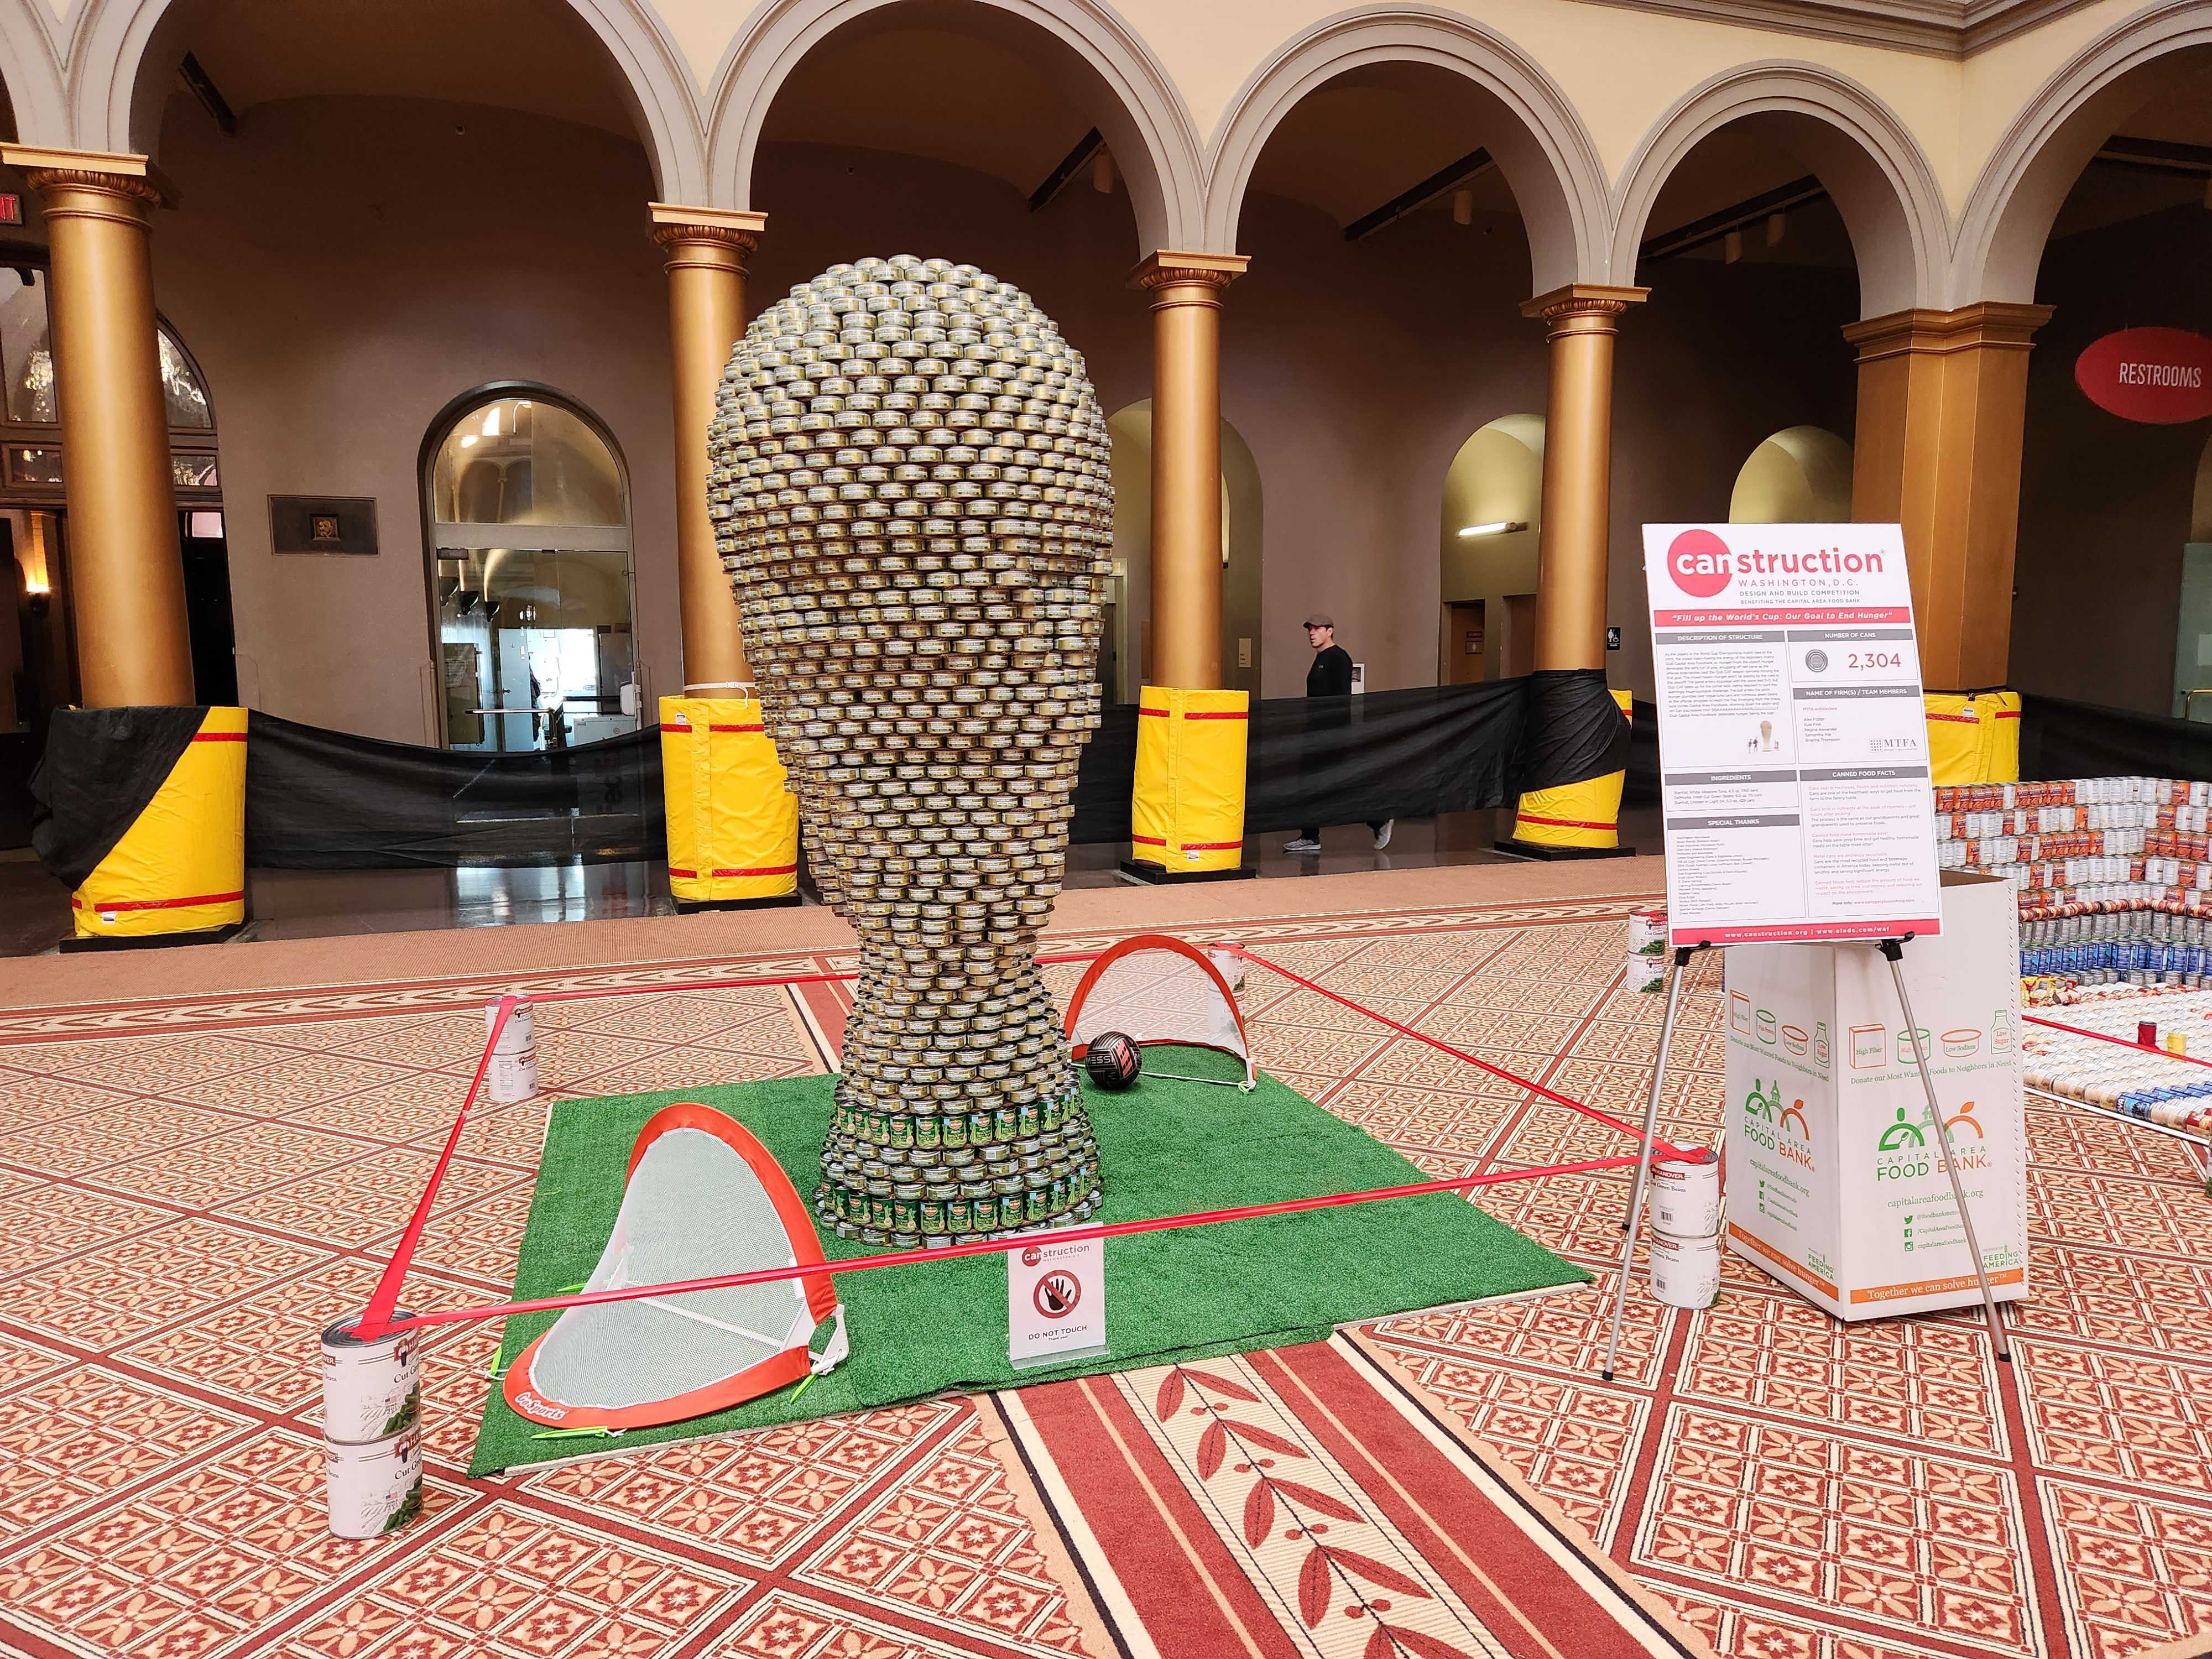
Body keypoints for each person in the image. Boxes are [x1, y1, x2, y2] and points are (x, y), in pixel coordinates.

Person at [1284, 614, 1392, 854]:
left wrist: (1334, 734)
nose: (1312, 633)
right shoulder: (1321, 658)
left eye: (1317, 629)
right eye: (1310, 629)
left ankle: (1379, 818)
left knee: (1341, 785)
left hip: (1330, 735)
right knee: (1309, 785)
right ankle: (1310, 836)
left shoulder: (1339, 659)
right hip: (1315, 734)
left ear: (1330, 631)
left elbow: (1341, 700)